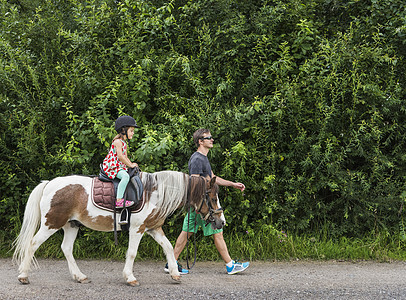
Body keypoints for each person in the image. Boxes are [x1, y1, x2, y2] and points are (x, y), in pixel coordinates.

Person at [165, 128, 250, 275]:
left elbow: (213, 178)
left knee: (186, 233)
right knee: (217, 231)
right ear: (200, 141)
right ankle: (230, 265)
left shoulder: (203, 158)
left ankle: (170, 263)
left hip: (198, 205)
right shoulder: (197, 159)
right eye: (208, 137)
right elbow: (195, 183)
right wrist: (200, 206)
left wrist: (232, 184)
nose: (212, 139)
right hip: (202, 206)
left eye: (211, 137)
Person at [102, 115, 139, 208]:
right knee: (125, 177)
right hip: (112, 166)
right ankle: (119, 200)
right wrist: (130, 165)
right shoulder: (118, 142)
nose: (133, 133)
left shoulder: (124, 143)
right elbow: (120, 157)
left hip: (118, 166)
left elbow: (125, 157)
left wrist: (132, 164)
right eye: (131, 131)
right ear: (123, 130)